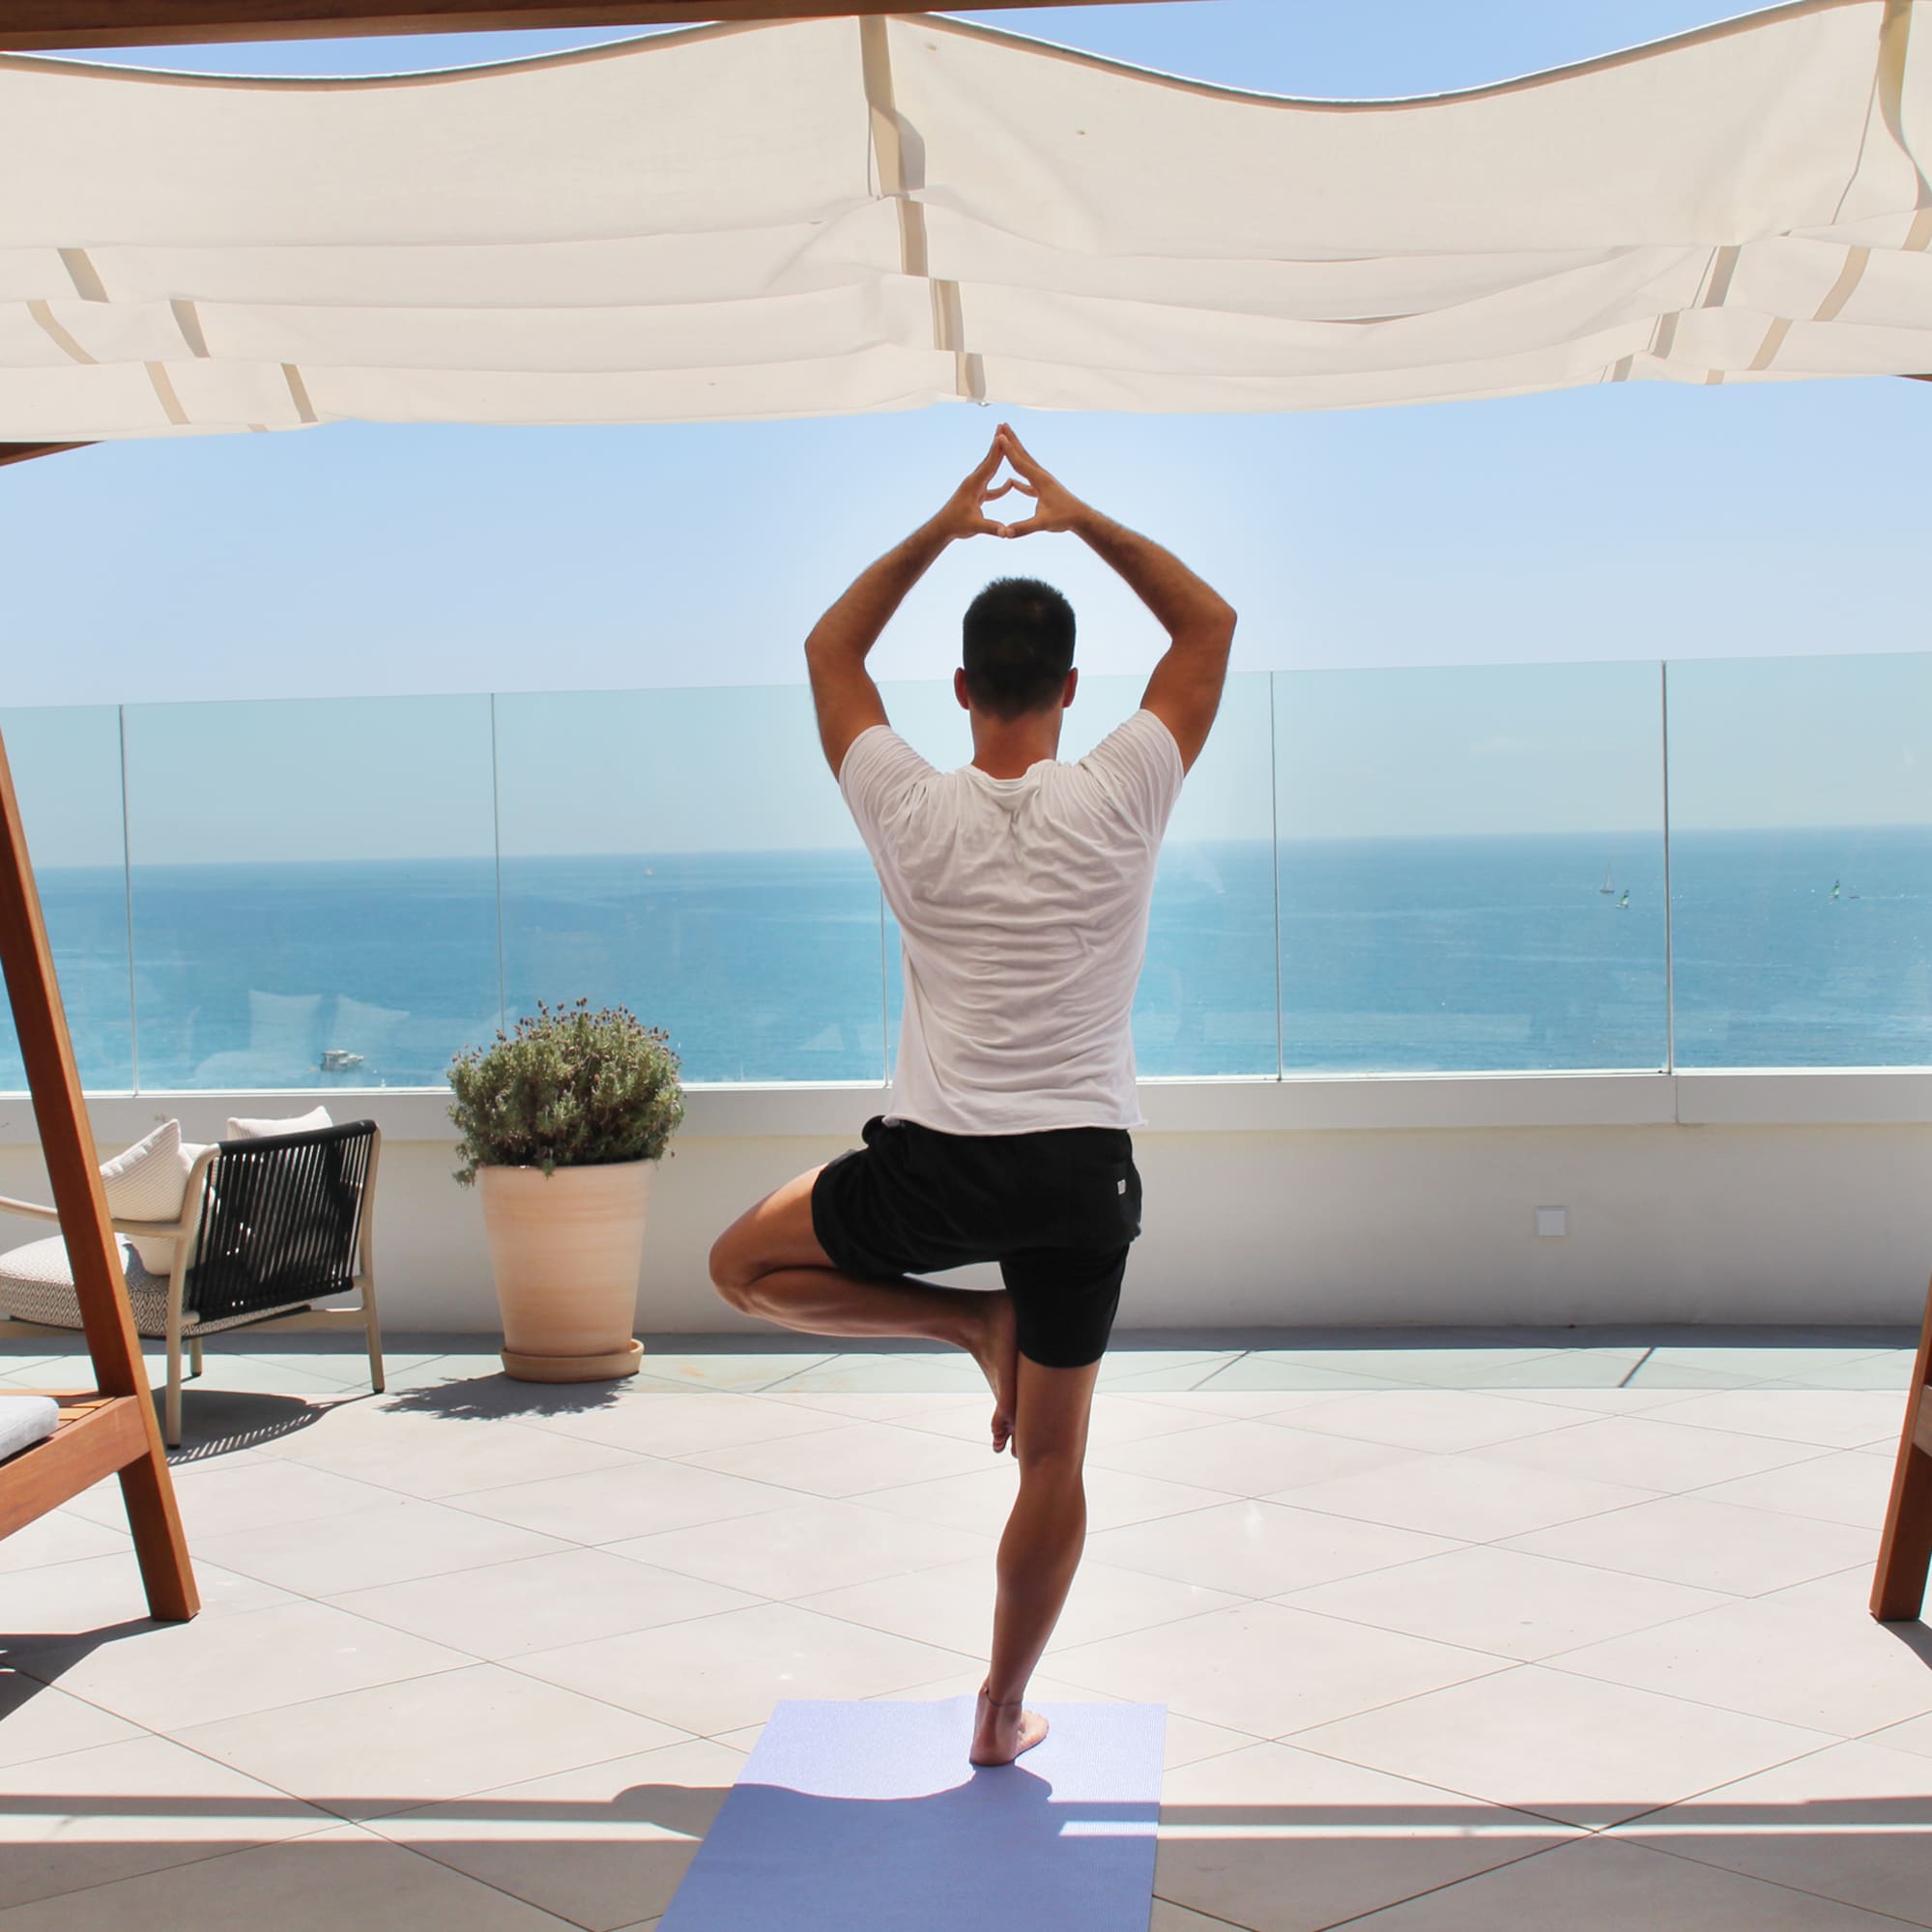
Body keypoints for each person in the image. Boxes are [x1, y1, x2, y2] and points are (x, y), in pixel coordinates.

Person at [708, 422, 1235, 1767]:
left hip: (936, 1169)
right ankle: (1001, 1714)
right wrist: (1070, 517)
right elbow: (1209, 625)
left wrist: (948, 526)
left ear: (957, 687)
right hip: (1080, 1177)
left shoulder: (908, 804)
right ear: (1071, 687)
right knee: (1054, 1463)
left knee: (740, 1266)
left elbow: (832, 652)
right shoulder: (1122, 791)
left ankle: (964, 1327)